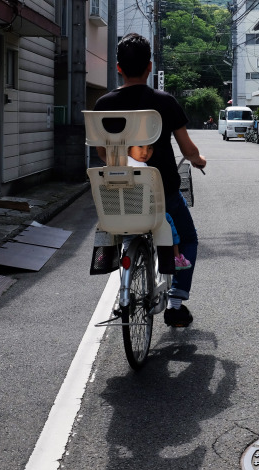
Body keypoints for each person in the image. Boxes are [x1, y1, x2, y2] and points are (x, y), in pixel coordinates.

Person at [94, 32, 206, 328]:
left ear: (118, 67)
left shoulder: (103, 104)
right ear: (150, 67)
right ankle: (176, 303)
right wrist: (198, 159)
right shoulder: (165, 102)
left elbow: (101, 151)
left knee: (129, 225)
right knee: (190, 237)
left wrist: (124, 167)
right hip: (162, 193)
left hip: (119, 192)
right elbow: (187, 149)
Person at [127, 144, 191, 271]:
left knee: (127, 236)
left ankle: (123, 251)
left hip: (118, 218)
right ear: (128, 147)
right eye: (140, 146)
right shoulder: (145, 168)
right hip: (142, 215)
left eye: (150, 148)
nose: (145, 152)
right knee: (168, 219)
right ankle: (176, 257)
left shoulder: (116, 164)